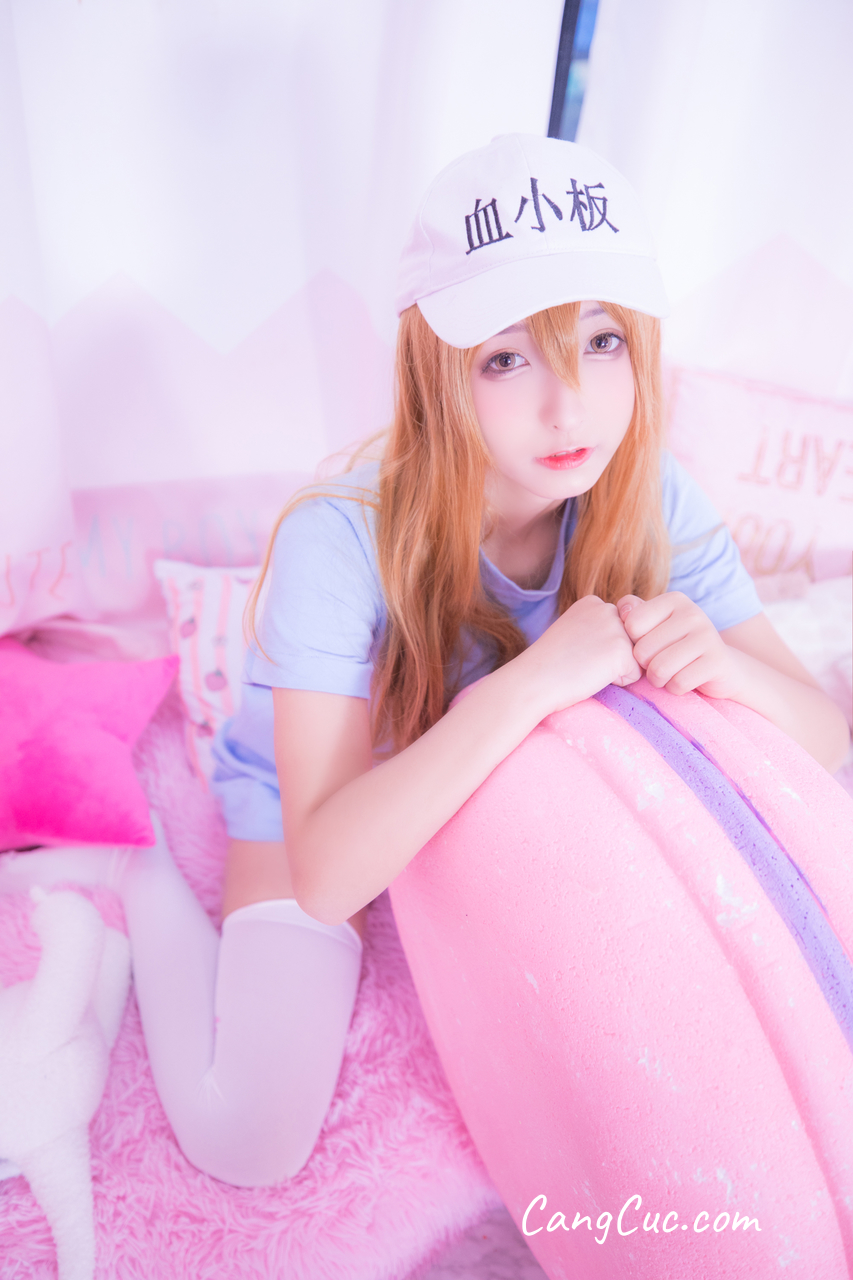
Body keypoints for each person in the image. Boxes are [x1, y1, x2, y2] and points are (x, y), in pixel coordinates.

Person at [23, 135, 850, 1188]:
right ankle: (131, 869)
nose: (567, 406)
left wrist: (728, 671)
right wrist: (533, 680)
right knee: (250, 1142)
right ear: (437, 369)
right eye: (507, 357)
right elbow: (329, 868)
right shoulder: (339, 535)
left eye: (600, 341)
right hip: (321, 790)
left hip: (491, 789)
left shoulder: (648, 490)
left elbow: (822, 736)